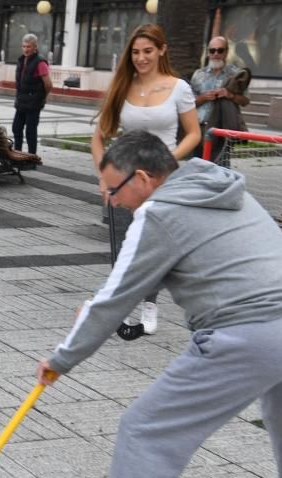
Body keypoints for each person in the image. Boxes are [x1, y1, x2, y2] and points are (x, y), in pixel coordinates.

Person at [36, 130, 282, 478]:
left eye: (113, 190)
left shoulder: (159, 213)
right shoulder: (221, 187)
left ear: (145, 178)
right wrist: (97, 310)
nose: (111, 202)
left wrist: (61, 359)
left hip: (249, 334)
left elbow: (114, 299)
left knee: (146, 427)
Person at [91, 23, 200, 335]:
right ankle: (122, 307)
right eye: (136, 52)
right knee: (124, 245)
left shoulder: (178, 87)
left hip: (161, 181)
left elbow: (194, 134)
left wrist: (168, 162)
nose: (141, 58)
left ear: (162, 50)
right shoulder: (122, 86)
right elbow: (97, 138)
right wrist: (105, 176)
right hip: (125, 181)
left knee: (151, 248)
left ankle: (149, 304)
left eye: (148, 51)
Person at [190, 35, 250, 166]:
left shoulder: (235, 74)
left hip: (221, 129)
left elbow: (245, 100)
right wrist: (203, 97)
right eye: (212, 51)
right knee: (196, 167)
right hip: (199, 128)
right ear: (208, 53)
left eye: (220, 50)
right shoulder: (198, 74)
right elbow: (188, 102)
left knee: (219, 168)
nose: (216, 54)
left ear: (226, 52)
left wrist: (230, 95)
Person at [12, 33, 52, 155]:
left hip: (34, 103)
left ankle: (31, 157)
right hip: (21, 101)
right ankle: (17, 155)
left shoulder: (40, 63)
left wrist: (42, 97)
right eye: (24, 46)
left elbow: (48, 84)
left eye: (28, 46)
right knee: (16, 128)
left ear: (35, 47)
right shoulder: (21, 60)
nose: (26, 49)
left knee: (30, 131)